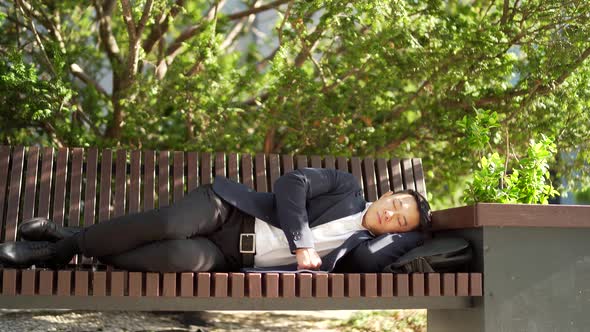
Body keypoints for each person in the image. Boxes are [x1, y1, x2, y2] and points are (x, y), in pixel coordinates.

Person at [0, 167, 432, 273]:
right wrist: (301, 242)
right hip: (228, 209)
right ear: (387, 194)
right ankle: (59, 250)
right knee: (169, 225)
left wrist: (424, 232)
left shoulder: (357, 248)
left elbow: (370, 265)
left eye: (401, 223)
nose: (392, 215)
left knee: (173, 257)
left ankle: (74, 238)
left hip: (224, 255)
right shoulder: (346, 187)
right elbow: (291, 184)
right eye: (397, 205)